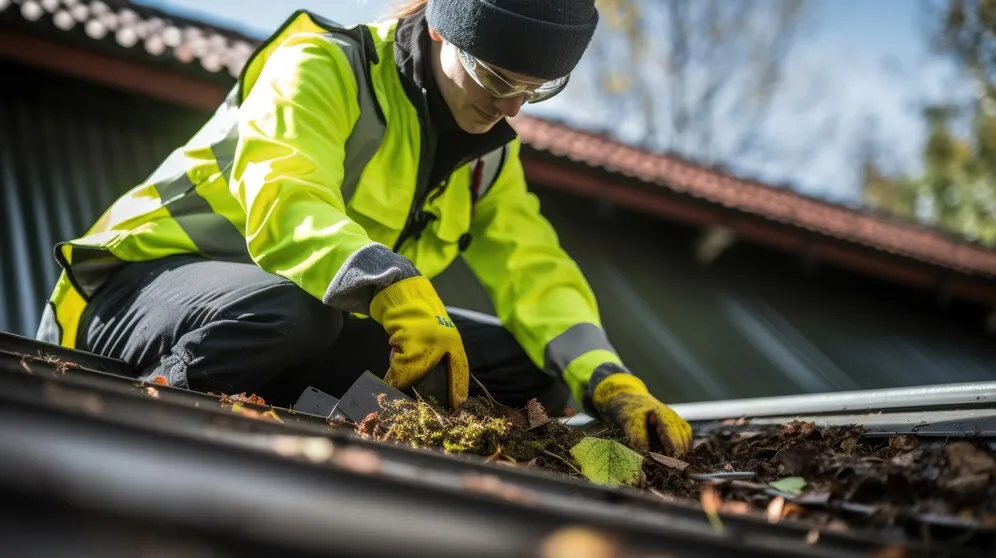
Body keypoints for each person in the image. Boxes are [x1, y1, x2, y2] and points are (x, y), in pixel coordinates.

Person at [35, 0, 692, 455]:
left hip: (298, 318)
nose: (511, 107)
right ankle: (158, 405)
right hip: (130, 297)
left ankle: (312, 419)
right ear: (441, 27)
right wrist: (392, 287)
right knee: (296, 312)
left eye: (537, 90)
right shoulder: (320, 65)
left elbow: (535, 271)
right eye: (496, 78)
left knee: (527, 368)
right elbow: (285, 197)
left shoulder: (490, 157)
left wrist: (608, 378)